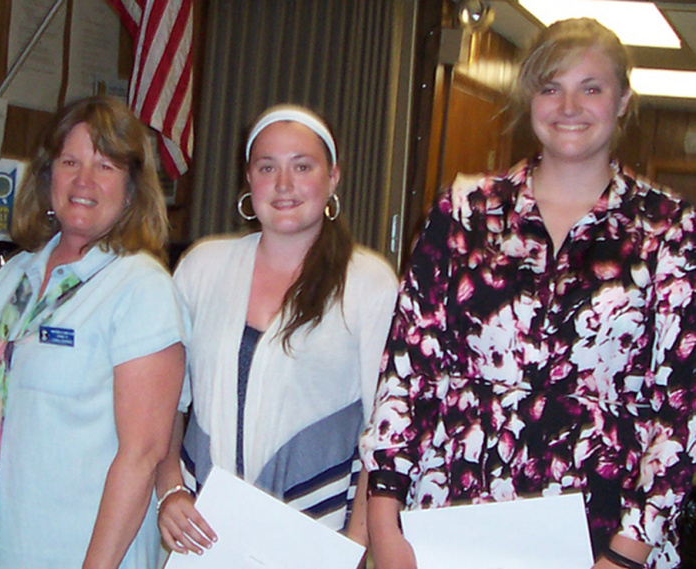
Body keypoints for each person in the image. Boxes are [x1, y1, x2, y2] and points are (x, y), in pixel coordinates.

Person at [361, 18, 696, 569]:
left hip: (606, 529)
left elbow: (680, 412)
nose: (569, 105)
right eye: (550, 86)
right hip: (455, 509)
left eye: (591, 87)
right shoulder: (465, 211)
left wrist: (627, 556)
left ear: (622, 101)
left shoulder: (670, 230)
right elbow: (408, 370)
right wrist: (385, 519)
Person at [0, 95, 187, 569]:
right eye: (70, 161)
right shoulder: (15, 276)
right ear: (47, 175)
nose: (84, 180)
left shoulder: (141, 289)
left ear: (132, 188)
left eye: (105, 165)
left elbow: (143, 454)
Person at [155, 105, 398, 556]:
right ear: (249, 180)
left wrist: (355, 544)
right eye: (268, 167)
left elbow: (383, 429)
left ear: (333, 177)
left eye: (302, 166)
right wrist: (170, 487)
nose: (283, 185)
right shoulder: (202, 268)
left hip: (314, 533)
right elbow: (165, 401)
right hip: (203, 533)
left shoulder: (369, 284)